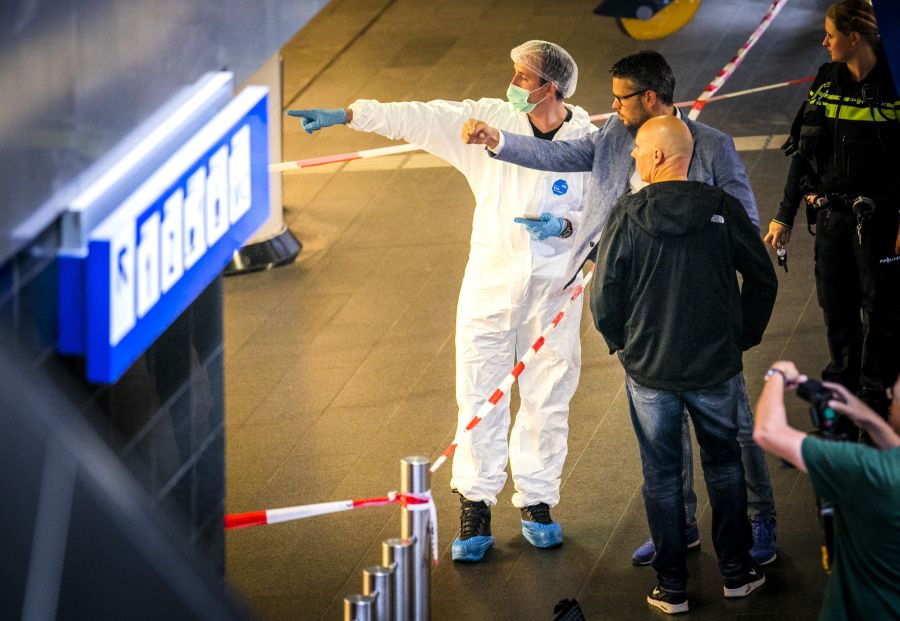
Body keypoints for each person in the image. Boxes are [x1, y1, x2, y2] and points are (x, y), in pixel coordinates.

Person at [461, 50, 779, 567]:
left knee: (735, 432)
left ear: (650, 99)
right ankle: (677, 528)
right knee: (662, 435)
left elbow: (744, 223)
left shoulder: (713, 147)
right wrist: (500, 141)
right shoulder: (614, 138)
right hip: (647, 313)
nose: (610, 107)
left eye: (620, 97)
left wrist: (739, 328)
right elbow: (562, 156)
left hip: (704, 311)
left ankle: (760, 521)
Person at [287, 41, 596, 562]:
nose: (514, 84)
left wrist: (563, 228)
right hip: (491, 288)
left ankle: (538, 501)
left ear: (552, 88)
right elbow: (423, 117)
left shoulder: (588, 140)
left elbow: (600, 212)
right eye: (514, 74)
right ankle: (475, 505)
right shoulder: (489, 123)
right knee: (479, 395)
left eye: (524, 78)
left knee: (549, 395)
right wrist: (348, 114)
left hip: (554, 295)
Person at [590, 115, 777, 614]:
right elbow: (763, 278)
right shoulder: (722, 208)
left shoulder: (628, 216)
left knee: (663, 477)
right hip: (716, 369)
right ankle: (737, 574)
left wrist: (625, 348)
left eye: (636, 150)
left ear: (657, 157)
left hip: (650, 372)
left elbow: (604, 298)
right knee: (725, 466)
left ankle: (671, 587)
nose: (630, 155)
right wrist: (742, 338)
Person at [765, 0, 900, 425]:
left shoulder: (893, 84)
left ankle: (877, 394)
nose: (824, 41)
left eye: (831, 34)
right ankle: (842, 390)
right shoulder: (825, 81)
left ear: (854, 37)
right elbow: (803, 153)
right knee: (835, 304)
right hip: (831, 219)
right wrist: (784, 215)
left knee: (881, 309)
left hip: (880, 221)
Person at [753, 362, 900, 619]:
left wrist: (776, 375)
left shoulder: (868, 469)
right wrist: (865, 417)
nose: (890, 402)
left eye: (894, 397)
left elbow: (768, 432)